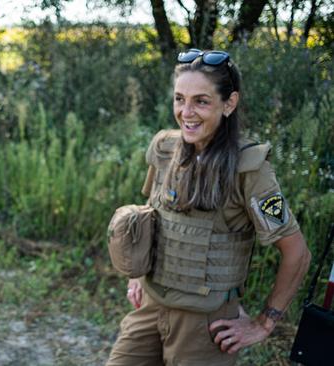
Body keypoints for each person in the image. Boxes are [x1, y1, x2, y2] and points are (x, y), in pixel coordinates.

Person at [105, 49, 311, 366]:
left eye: (201, 101)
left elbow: (296, 252)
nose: (186, 112)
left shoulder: (249, 169)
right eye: (179, 99)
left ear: (229, 103)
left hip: (205, 324)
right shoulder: (164, 149)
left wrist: (264, 323)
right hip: (149, 308)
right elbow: (152, 213)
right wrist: (137, 273)